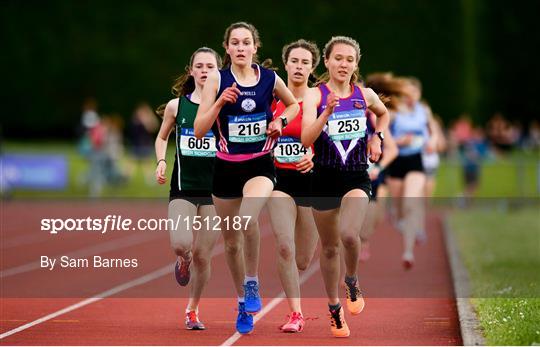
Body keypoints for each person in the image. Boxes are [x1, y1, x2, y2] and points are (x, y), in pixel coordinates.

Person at [194, 22, 299, 334]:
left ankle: (252, 282)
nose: (240, 48)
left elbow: (292, 106)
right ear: (227, 48)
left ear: (255, 48)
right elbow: (200, 129)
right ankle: (242, 300)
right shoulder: (217, 78)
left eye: (246, 43)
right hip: (225, 169)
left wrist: (279, 120)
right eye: (235, 43)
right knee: (230, 244)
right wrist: (219, 102)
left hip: (260, 165)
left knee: (246, 219)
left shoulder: (269, 78)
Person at [302, 36, 390, 337]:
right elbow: (305, 139)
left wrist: (377, 137)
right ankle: (334, 310)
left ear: (356, 64)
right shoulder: (315, 96)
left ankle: (351, 281)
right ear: (326, 61)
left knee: (349, 235)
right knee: (328, 249)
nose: (343, 64)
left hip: (355, 176)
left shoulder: (364, 95)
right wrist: (326, 112)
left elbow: (383, 113)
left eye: (349, 59)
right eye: (338, 58)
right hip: (324, 177)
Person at [155, 47, 222, 330]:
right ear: (191, 70)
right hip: (183, 188)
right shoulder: (176, 106)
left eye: (211, 66)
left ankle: (192, 310)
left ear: (218, 71)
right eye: (200, 66)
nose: (205, 70)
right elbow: (161, 137)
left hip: (216, 192)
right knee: (181, 244)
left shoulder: (225, 106)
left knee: (205, 256)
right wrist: (160, 161)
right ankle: (183, 260)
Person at [267, 39, 320, 333]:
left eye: (305, 62)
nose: (299, 67)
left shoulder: (319, 101)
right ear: (285, 64)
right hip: (280, 182)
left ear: (312, 68)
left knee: (302, 259)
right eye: (294, 61)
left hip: (312, 184)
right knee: (285, 247)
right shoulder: (270, 101)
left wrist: (315, 157)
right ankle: (295, 314)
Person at [385, 76, 438, 269]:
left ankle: (408, 252)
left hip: (416, 160)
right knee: (400, 209)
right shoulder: (394, 112)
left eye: (414, 93)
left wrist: (432, 141)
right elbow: (381, 133)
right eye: (406, 94)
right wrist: (400, 142)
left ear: (418, 94)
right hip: (397, 160)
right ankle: (396, 215)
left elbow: (433, 130)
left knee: (410, 204)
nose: (410, 97)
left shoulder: (424, 111)